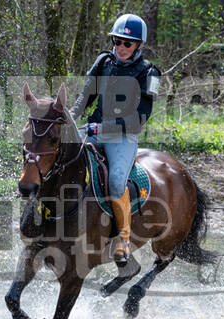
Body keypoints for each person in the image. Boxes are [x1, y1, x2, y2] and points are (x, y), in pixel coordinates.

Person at [71, 13, 160, 265]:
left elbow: (140, 118)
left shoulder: (150, 73)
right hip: (94, 128)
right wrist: (68, 115)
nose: (120, 47)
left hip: (123, 136)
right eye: (117, 41)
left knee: (117, 181)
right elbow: (86, 96)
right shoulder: (104, 61)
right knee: (59, 154)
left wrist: (102, 128)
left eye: (127, 43)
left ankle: (123, 237)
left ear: (139, 45)